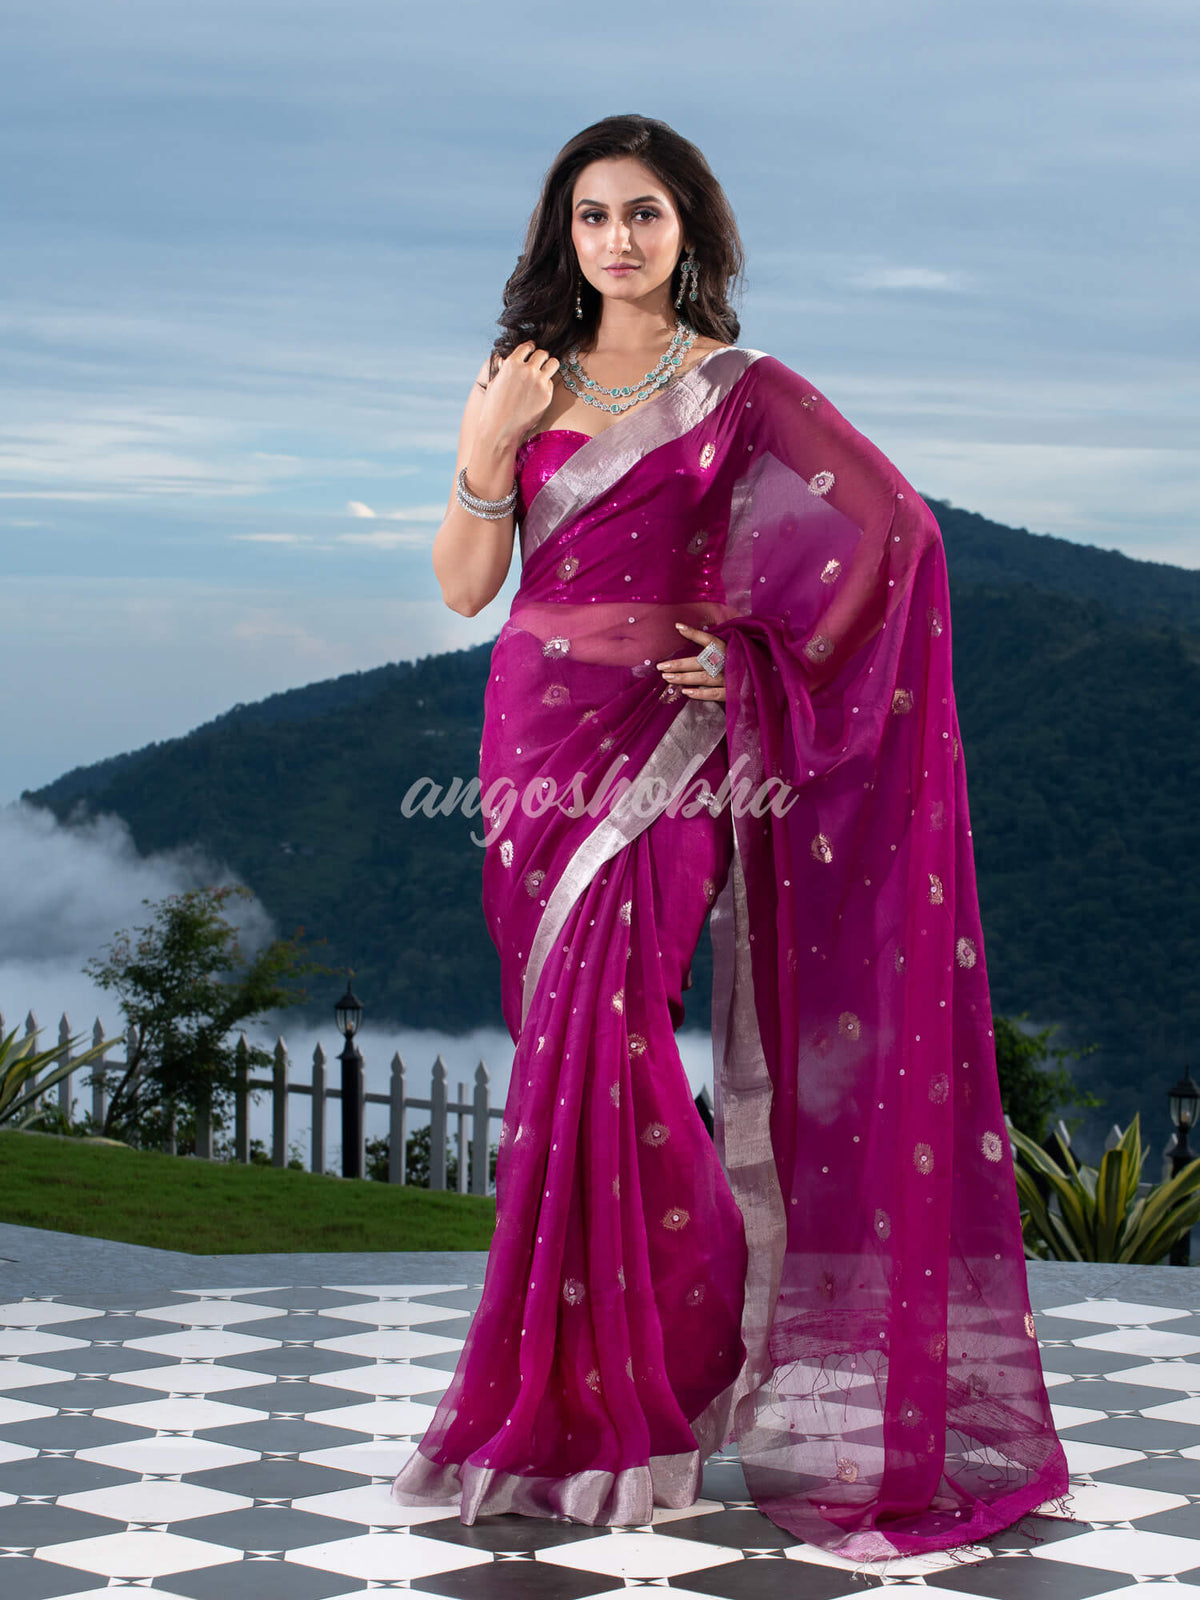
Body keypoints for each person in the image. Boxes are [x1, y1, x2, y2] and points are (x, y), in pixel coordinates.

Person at [392, 113, 1072, 1563]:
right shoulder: (519, 378)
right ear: (562, 234)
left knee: (619, 1043)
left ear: (689, 227)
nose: (618, 240)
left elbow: (897, 536)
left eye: (644, 212)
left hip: (671, 751)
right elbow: (464, 586)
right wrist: (485, 446)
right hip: (532, 745)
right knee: (560, 1057)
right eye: (592, 216)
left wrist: (759, 656)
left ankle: (667, 1378)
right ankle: (584, 1402)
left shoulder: (739, 390)